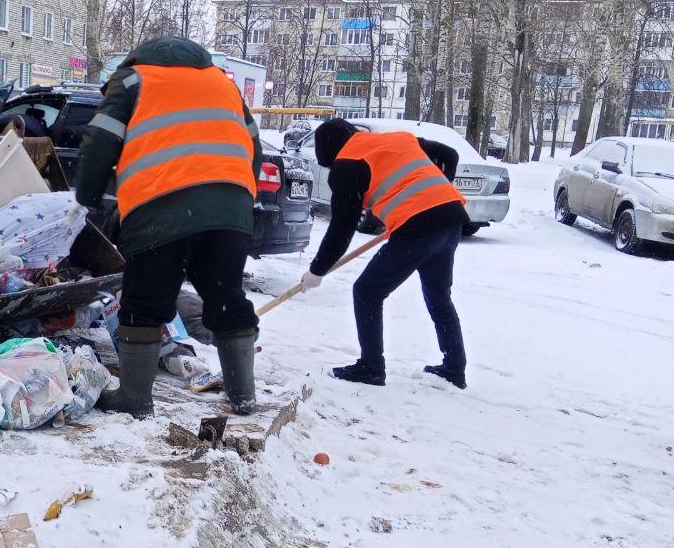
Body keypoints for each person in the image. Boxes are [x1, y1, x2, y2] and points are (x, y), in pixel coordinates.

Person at [74, 36, 262, 417]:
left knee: (145, 302)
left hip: (160, 207)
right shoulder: (222, 84)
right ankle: (243, 393)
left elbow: (100, 140)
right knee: (226, 296)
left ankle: (135, 399)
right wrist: (239, 198)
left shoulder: (131, 80)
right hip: (231, 210)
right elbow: (253, 144)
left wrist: (87, 197)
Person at [297, 118, 469, 389]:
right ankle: (454, 368)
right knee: (439, 296)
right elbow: (450, 154)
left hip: (419, 227)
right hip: (452, 219)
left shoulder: (346, 164)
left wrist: (318, 270)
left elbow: (342, 228)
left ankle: (371, 367)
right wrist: (434, 196)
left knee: (367, 291)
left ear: (329, 152)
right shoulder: (396, 139)